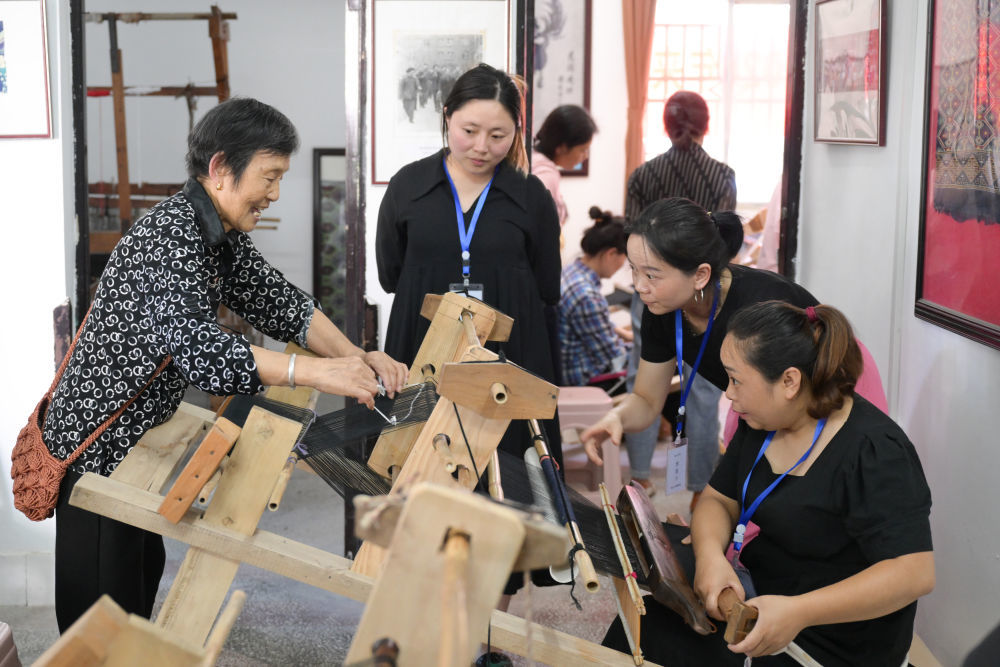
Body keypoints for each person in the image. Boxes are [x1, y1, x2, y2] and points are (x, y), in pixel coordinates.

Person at [45, 97, 409, 633]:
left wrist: (358, 359)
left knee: (138, 585)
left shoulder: (217, 235)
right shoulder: (169, 236)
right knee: (101, 617)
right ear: (219, 168)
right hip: (97, 447)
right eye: (269, 176)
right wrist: (318, 374)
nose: (275, 193)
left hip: (139, 442)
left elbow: (281, 303)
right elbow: (202, 351)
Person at [604, 301, 934, 666]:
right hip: (758, 603)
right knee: (640, 626)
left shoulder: (874, 451)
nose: (728, 394)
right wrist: (712, 557)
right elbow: (717, 500)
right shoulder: (763, 421)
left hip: (829, 639)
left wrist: (799, 612)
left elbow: (913, 573)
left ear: (789, 381)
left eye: (736, 380)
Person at [376, 62, 562, 466]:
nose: (481, 147)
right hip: (423, 346)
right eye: (469, 131)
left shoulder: (531, 197)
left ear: (516, 129)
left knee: (509, 477)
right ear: (447, 116)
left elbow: (548, 286)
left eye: (498, 136)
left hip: (510, 356)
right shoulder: (408, 186)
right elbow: (390, 275)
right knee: (416, 468)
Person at [580, 197, 819, 499]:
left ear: (701, 275)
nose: (640, 286)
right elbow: (645, 399)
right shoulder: (660, 309)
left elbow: (797, 409)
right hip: (760, 406)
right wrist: (617, 417)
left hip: (817, 395)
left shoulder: (761, 306)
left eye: (651, 274)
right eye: (634, 270)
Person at [622, 90, 736, 501]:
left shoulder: (643, 175)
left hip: (650, 289)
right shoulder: (722, 175)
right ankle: (701, 486)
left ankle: (637, 475)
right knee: (704, 384)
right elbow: (724, 249)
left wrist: (648, 275)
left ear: (666, 127)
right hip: (704, 293)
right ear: (706, 126)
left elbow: (632, 238)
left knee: (643, 375)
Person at [558, 206, 629, 389]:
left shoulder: (570, 270)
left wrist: (623, 334)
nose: (623, 265)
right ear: (611, 253)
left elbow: (592, 324)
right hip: (582, 381)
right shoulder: (587, 296)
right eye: (625, 258)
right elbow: (614, 355)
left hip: (564, 365)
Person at [531, 104, 597, 226]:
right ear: (562, 147)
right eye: (583, 149)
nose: (586, 156)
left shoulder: (533, 158)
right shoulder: (546, 174)